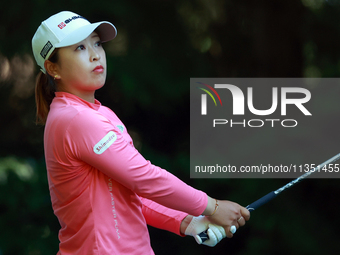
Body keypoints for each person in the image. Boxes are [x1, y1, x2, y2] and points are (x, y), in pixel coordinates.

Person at [32, 11, 250, 254]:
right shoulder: (75, 119)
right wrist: (212, 206)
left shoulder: (96, 113)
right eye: (80, 48)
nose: (95, 55)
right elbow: (144, 178)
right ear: (53, 68)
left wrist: (187, 221)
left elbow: (127, 192)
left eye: (96, 43)